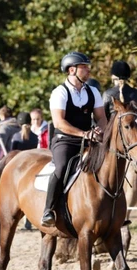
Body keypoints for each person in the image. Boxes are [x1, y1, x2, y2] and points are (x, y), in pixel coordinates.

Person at [41, 51, 107, 227]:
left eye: (87, 67)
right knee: (61, 167)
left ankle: (112, 211)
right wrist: (84, 134)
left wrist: (100, 129)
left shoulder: (93, 91)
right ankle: (49, 210)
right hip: (65, 141)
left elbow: (101, 117)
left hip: (90, 140)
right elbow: (59, 122)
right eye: (84, 67)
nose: (88, 71)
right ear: (72, 70)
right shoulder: (59, 93)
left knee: (110, 165)